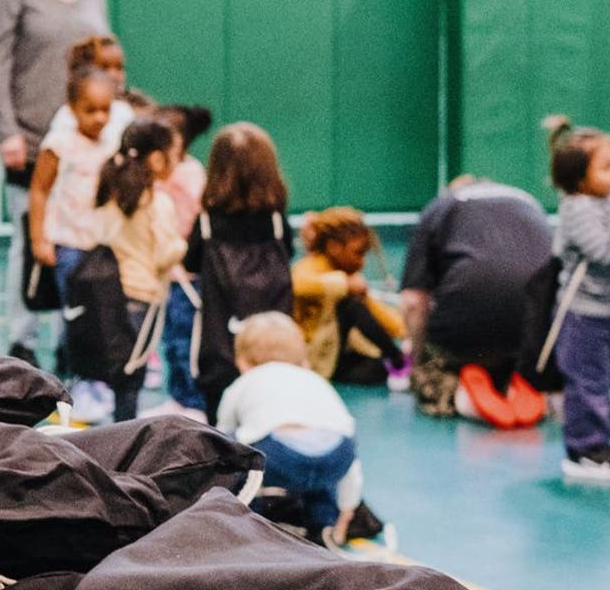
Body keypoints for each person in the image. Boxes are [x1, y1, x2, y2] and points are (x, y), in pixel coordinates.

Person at [0, 0, 111, 363]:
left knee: (76, 239)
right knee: (29, 239)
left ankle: (71, 338)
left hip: (83, 140)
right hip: (32, 137)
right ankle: (23, 341)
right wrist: (6, 131)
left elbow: (103, 62)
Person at [402, 176, 553, 424]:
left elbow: (413, 301)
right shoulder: (530, 204)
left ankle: (457, 393)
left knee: (432, 368)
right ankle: (529, 385)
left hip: (468, 328)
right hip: (536, 330)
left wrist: (418, 357)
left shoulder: (440, 207)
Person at [215, 313, 363, 547]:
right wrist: (347, 511)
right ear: (304, 359)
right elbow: (350, 455)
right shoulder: (316, 381)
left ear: (241, 362)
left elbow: (221, 439)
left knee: (231, 448)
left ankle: (243, 521)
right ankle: (323, 526)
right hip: (337, 455)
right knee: (320, 468)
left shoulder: (243, 383)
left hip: (279, 456)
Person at [547, 118, 610, 482]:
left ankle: (600, 444)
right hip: (582, 315)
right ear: (579, 178)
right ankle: (584, 449)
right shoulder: (579, 208)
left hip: (605, 313)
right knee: (587, 382)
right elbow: (604, 249)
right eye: (606, 167)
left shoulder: (605, 201)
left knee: (602, 378)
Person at [28, 65, 120, 414]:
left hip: (102, 244)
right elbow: (39, 191)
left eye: (105, 110)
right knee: (76, 315)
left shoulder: (113, 142)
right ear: (71, 108)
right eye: (90, 110)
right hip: (68, 243)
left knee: (103, 314)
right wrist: (40, 239)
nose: (99, 118)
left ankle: (97, 378)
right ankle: (73, 377)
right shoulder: (59, 145)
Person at [186, 123, 295, 417]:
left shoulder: (207, 223)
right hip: (272, 344)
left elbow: (190, 263)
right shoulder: (274, 221)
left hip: (220, 344)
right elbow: (290, 254)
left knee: (218, 415)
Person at [94, 118, 185, 422]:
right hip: (143, 295)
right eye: (174, 154)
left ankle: (118, 431)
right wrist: (184, 245)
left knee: (122, 377)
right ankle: (125, 440)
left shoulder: (112, 192)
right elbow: (163, 255)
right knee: (133, 377)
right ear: (158, 158)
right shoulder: (156, 203)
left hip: (112, 292)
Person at [292, 208, 409, 386]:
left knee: (376, 369)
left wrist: (408, 330)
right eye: (358, 253)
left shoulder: (344, 274)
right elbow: (298, 285)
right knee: (351, 305)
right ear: (334, 247)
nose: (361, 261)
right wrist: (345, 284)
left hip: (335, 352)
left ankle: (395, 360)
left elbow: (375, 312)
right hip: (311, 357)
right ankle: (398, 359)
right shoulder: (309, 268)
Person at [154, 103, 213, 411]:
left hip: (185, 276)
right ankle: (178, 396)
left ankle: (191, 401)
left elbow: (195, 221)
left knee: (184, 339)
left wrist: (183, 257)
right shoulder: (159, 174)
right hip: (165, 272)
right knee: (170, 339)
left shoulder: (188, 174)